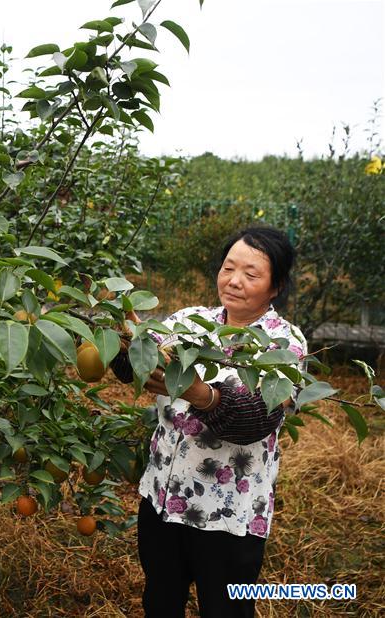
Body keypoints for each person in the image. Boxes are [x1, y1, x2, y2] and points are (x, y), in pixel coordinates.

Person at [110, 227, 307, 618]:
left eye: (251, 274)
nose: (234, 280)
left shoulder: (284, 345)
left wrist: (202, 394)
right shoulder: (189, 322)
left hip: (228, 516)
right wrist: (123, 337)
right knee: (160, 601)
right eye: (228, 267)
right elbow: (140, 367)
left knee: (225, 611)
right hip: (163, 501)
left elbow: (256, 418)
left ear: (276, 287)